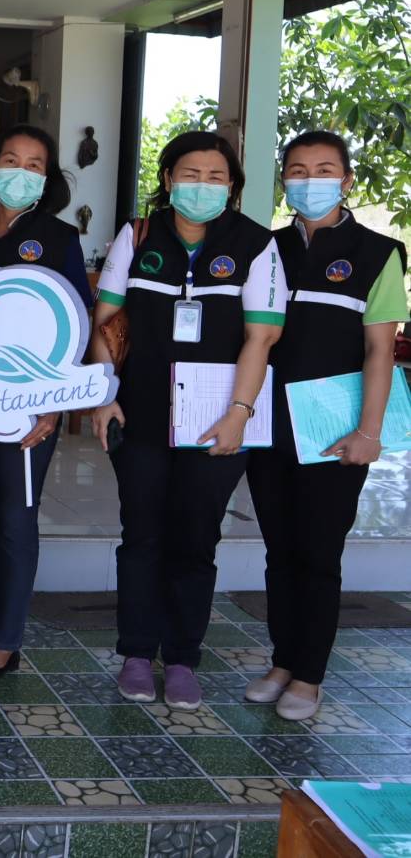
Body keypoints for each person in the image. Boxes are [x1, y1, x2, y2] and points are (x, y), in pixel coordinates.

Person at [89, 130, 285, 710]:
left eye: (216, 177)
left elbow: (261, 337)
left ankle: (180, 659)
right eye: (191, 175)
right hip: (142, 416)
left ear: (232, 186)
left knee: (196, 540)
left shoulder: (256, 245)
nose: (203, 186)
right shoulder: (138, 235)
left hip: (216, 421)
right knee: (141, 536)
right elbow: (105, 322)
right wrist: (104, 395)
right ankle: (135, 653)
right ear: (168, 179)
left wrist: (239, 414)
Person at [244, 132, 408, 721]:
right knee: (279, 550)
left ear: (346, 180)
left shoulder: (378, 252)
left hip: (334, 430)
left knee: (318, 552)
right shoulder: (267, 248)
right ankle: (282, 661)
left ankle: (309, 675)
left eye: (323, 169)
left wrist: (369, 432)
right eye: (297, 169)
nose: (309, 180)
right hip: (269, 424)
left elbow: (380, 351)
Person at [0, 125, 93, 684]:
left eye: (34, 165)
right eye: (11, 160)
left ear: (47, 178)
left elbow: (75, 321)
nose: (20, 172)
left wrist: (53, 405)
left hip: (27, 403)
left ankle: (6, 640)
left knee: (14, 518)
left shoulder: (57, 237)